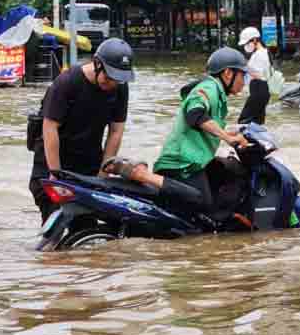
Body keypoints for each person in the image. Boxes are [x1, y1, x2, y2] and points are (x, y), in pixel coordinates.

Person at [109, 49, 250, 215]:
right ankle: (140, 173)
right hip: (180, 164)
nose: (244, 81)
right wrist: (227, 137)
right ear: (228, 73)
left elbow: (206, 124)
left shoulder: (218, 96)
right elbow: (195, 114)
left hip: (191, 163)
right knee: (202, 202)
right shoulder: (209, 87)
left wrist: (231, 134)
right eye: (243, 75)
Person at [28, 38, 135, 222]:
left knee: (86, 226)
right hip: (52, 162)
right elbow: (50, 128)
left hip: (88, 164)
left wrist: (104, 172)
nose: (111, 84)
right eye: (108, 77)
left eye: (117, 80)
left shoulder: (119, 88)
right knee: (56, 224)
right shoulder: (67, 83)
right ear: (97, 64)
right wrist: (55, 173)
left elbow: (116, 130)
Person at [238, 26, 271, 125]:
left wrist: (245, 68)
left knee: (244, 121)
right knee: (257, 123)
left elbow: (261, 75)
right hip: (261, 91)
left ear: (255, 40)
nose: (246, 45)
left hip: (259, 90)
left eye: (247, 42)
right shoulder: (262, 52)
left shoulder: (260, 54)